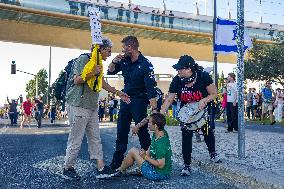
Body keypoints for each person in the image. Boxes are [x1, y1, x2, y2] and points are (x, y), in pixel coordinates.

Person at [63, 38, 130, 180]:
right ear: (100, 49)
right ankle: (68, 167)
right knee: (76, 138)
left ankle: (100, 167)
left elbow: (102, 83)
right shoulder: (84, 59)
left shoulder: (99, 63)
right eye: (108, 51)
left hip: (92, 105)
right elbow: (77, 80)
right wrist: (93, 72)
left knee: (95, 137)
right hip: (79, 104)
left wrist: (118, 93)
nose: (110, 54)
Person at [158, 55, 221, 176]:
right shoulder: (177, 80)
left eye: (180, 69)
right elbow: (169, 99)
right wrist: (160, 114)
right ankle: (187, 165)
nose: (178, 71)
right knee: (186, 137)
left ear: (189, 69)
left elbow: (214, 93)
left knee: (207, 132)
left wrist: (204, 100)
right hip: (186, 113)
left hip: (202, 111)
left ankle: (212, 153)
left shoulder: (203, 76)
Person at [107, 36, 158, 171]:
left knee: (142, 132)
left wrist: (154, 109)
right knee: (121, 131)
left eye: (124, 47)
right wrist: (113, 61)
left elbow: (150, 89)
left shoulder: (145, 64)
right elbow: (110, 70)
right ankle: (116, 163)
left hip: (139, 101)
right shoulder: (124, 60)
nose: (122, 50)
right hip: (126, 99)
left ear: (130, 47)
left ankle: (150, 162)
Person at [97, 113, 172, 181]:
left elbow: (161, 164)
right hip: (162, 171)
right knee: (137, 152)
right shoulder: (159, 133)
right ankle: (123, 170)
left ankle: (119, 171)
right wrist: (145, 156)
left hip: (157, 175)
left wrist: (145, 157)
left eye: (149, 122)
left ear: (155, 126)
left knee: (133, 151)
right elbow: (151, 147)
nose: (148, 124)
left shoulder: (161, 143)